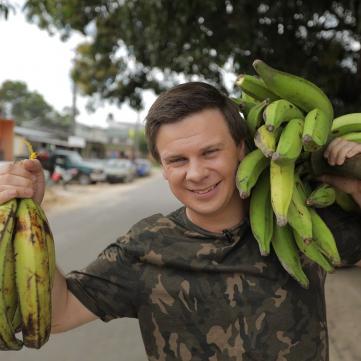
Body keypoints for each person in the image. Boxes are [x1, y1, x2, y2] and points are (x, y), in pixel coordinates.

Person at [0, 82, 360, 360]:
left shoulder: (299, 223)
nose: (196, 173)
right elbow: (59, 313)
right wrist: (25, 223)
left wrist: (355, 183)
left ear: (243, 148)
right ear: (161, 166)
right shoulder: (145, 246)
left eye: (210, 152)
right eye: (177, 160)